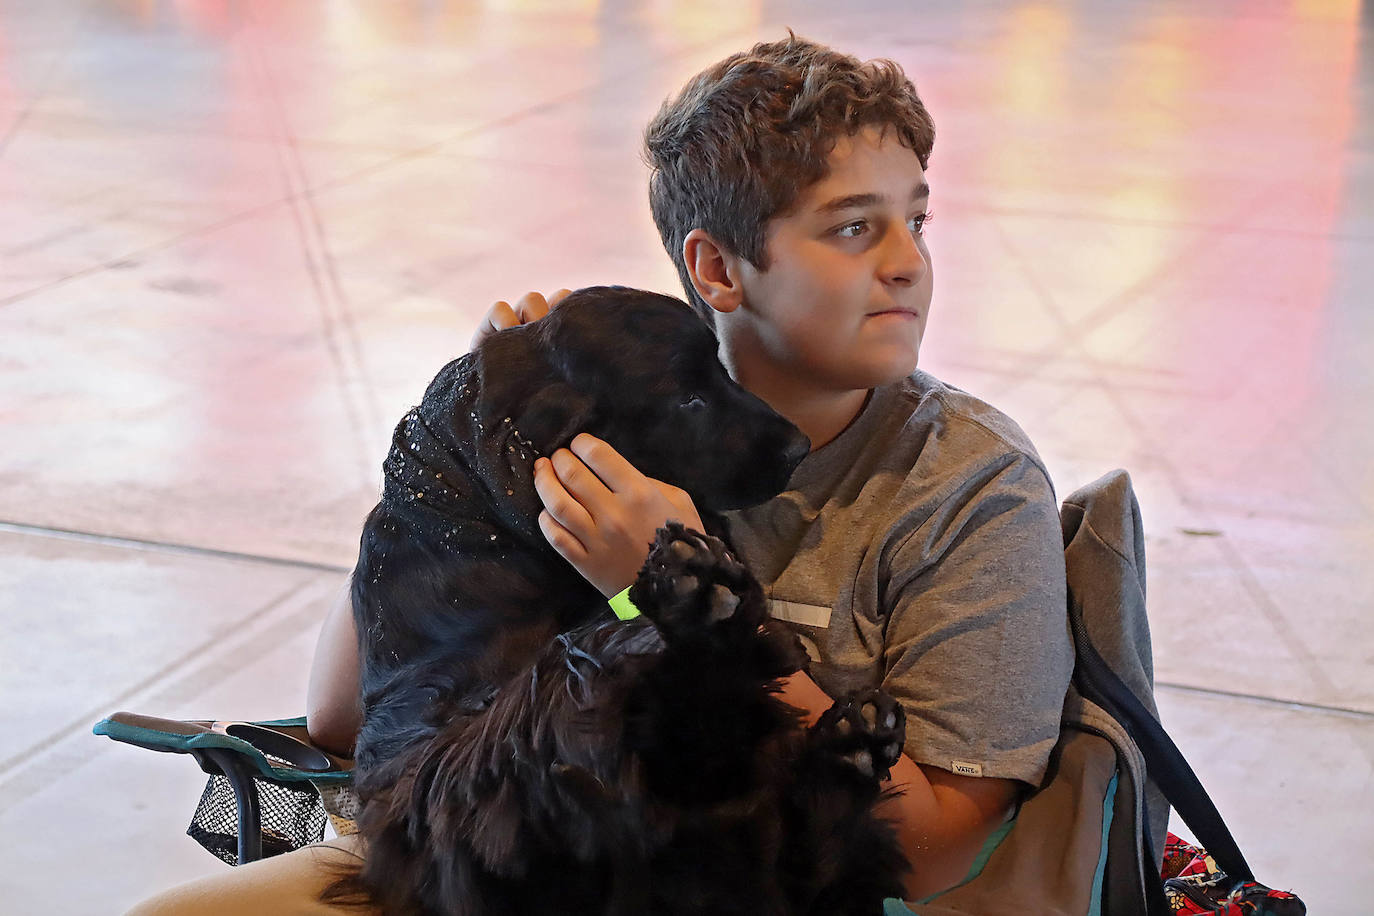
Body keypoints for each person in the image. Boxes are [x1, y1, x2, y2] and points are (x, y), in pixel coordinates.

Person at [129, 33, 1072, 913]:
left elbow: (945, 846)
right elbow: (342, 716)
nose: (910, 264)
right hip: (521, 848)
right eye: (854, 229)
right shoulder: (614, 415)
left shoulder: (969, 487)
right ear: (717, 269)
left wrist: (667, 600)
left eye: (917, 220)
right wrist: (463, 457)